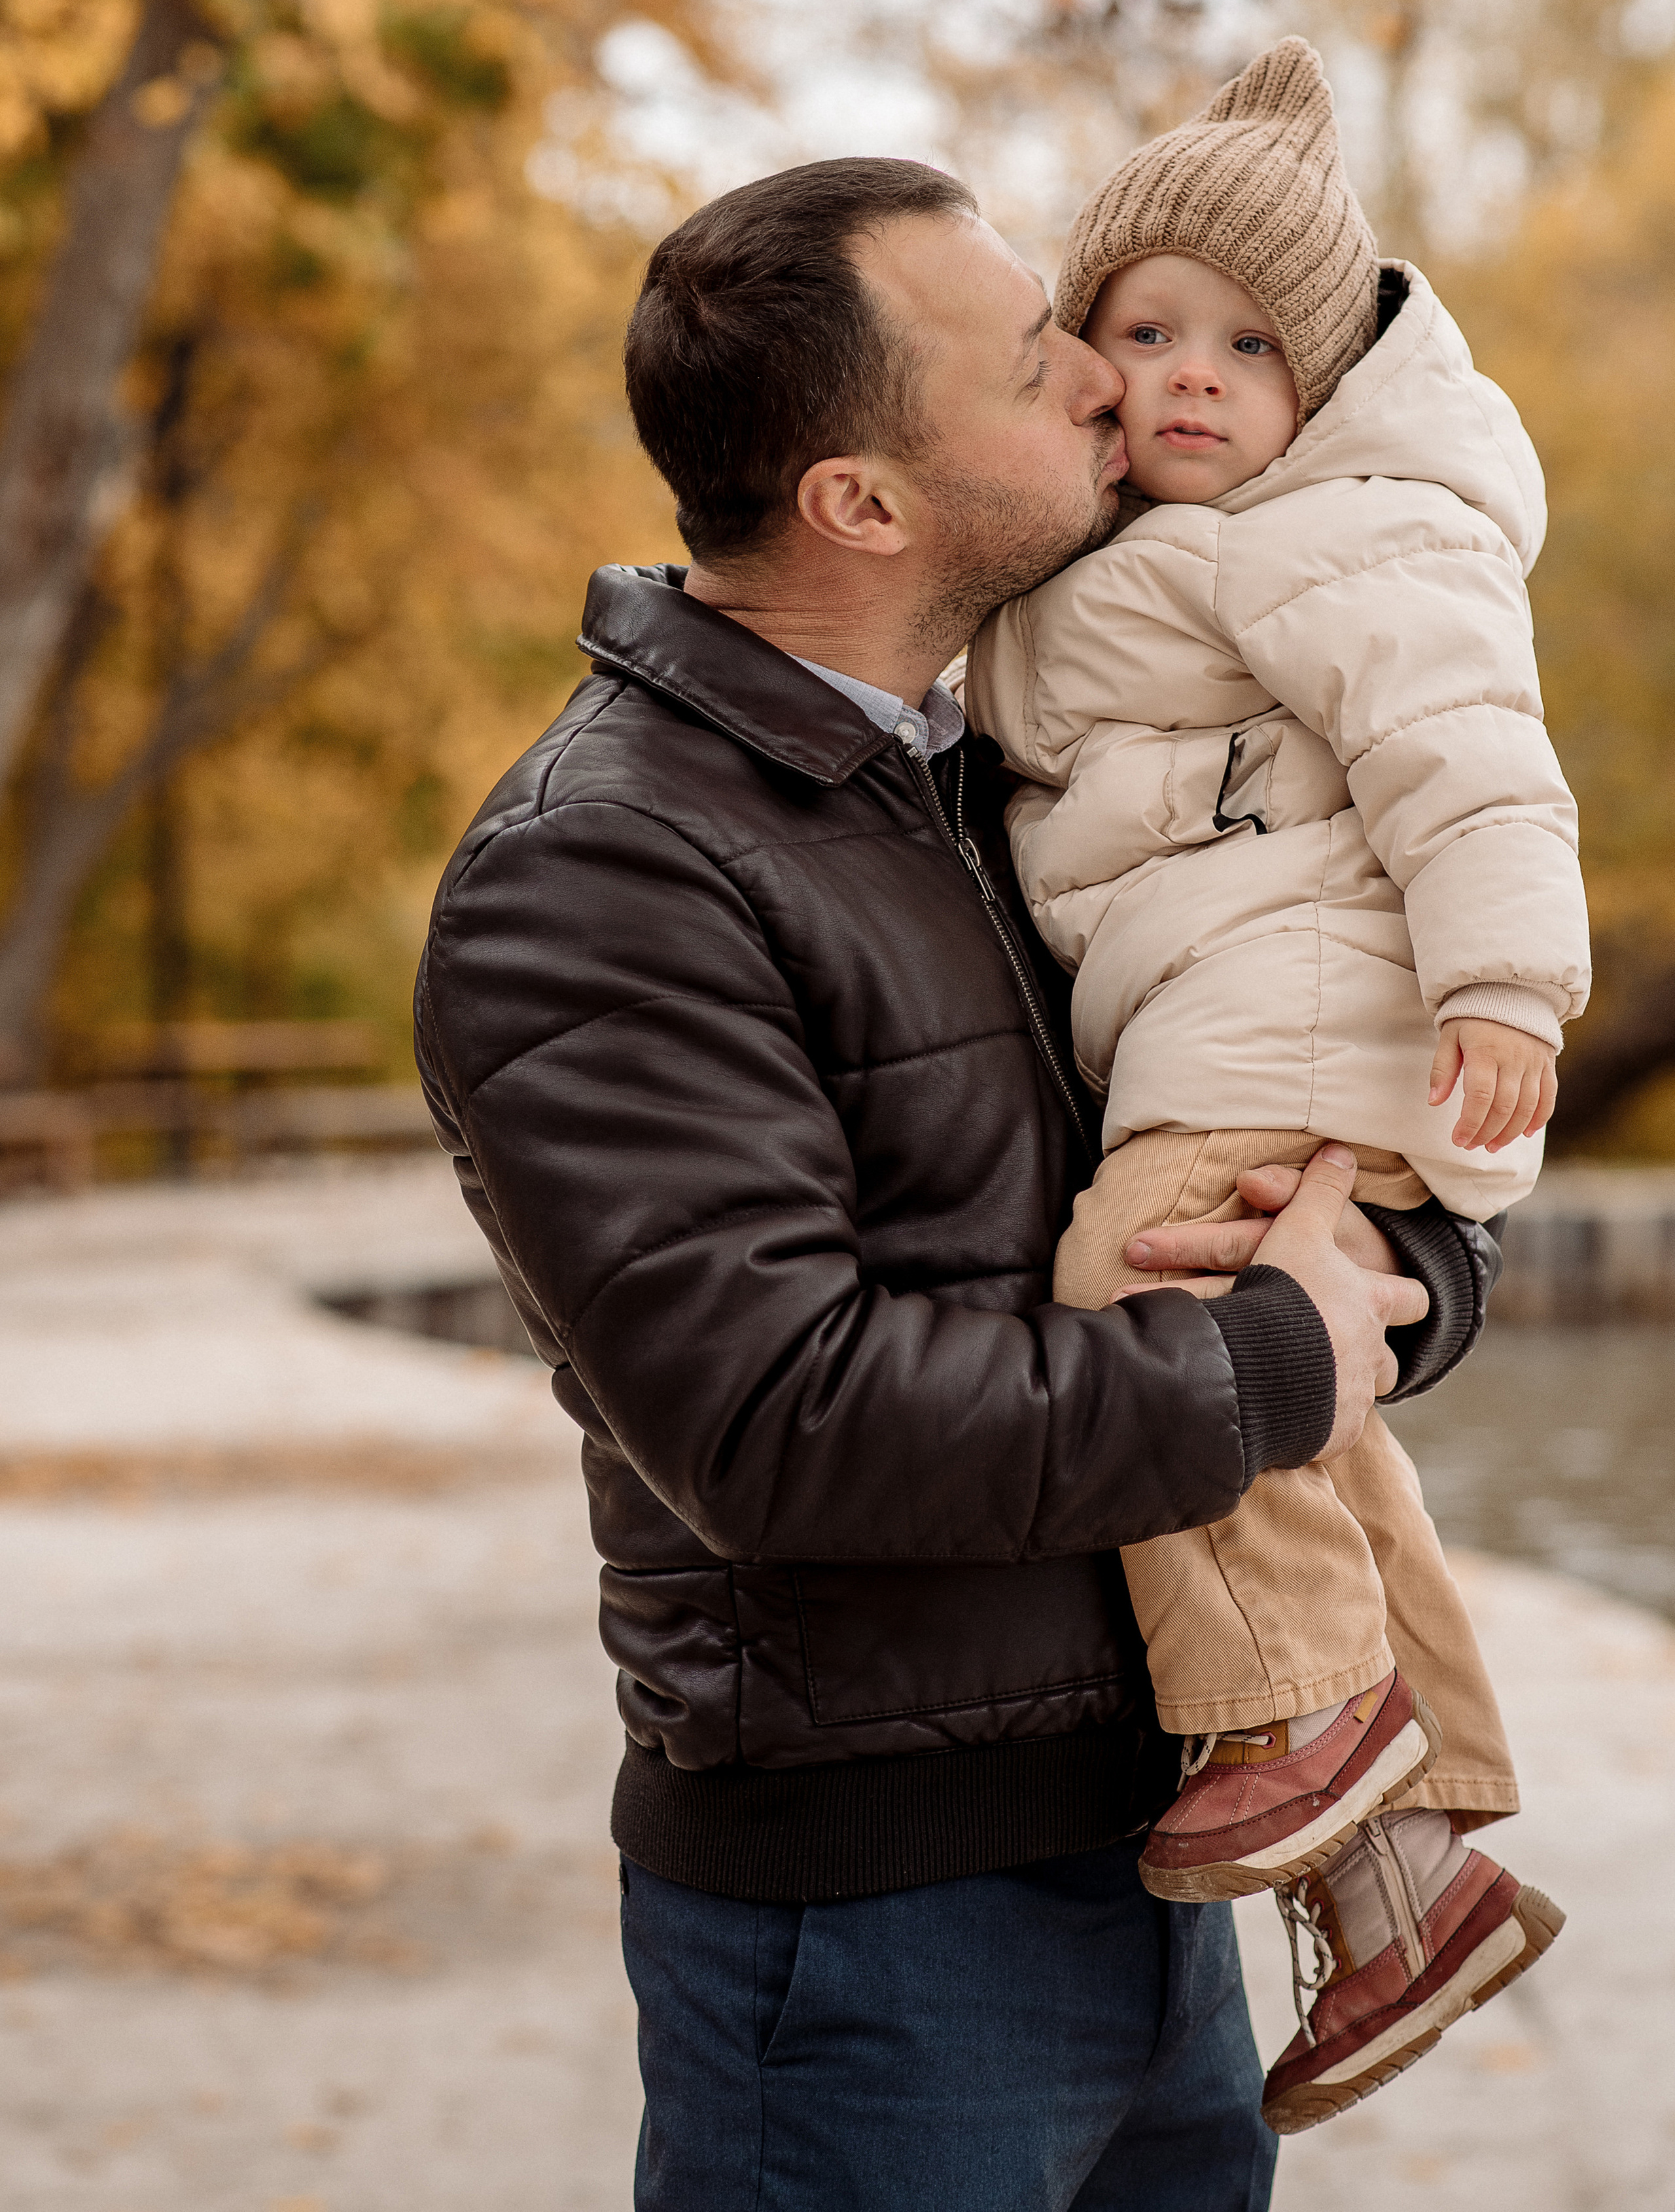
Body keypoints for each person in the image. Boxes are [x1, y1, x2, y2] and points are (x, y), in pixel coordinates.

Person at [414, 154, 1501, 2211]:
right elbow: (780, 1424)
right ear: (865, 502)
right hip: (876, 1942)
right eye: (1036, 363)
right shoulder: (599, 873)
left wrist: (1410, 1276)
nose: (1111, 377)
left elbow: (1301, 1127)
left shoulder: (1033, 772)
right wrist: (1277, 1362)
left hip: (1169, 1858)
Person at [963, 38, 1585, 2133]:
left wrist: (1512, 984)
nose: (1197, 376)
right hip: (1261, 1024)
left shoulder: (1339, 536)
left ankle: (1293, 1731)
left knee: (1139, 1292)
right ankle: (1417, 1873)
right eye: (1147, 331)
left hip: (1307, 1023)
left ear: (1322, 390)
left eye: (1252, 345)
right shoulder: (1124, 565)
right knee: (1296, 1417)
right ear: (1081, 358)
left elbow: (1470, 749)